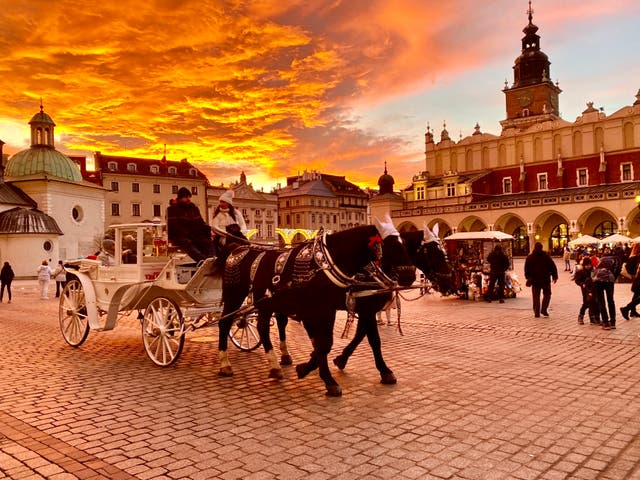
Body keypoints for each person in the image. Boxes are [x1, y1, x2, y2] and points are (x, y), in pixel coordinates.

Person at [167, 187, 214, 263]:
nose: (188, 199)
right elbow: (173, 226)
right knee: (188, 243)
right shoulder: (172, 209)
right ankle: (202, 261)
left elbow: (201, 222)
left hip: (194, 234)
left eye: (189, 197)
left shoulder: (193, 208)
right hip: (180, 235)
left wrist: (206, 230)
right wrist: (189, 233)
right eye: (186, 197)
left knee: (207, 241)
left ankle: (212, 260)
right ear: (180, 198)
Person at [524, 242, 558, 318]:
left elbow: (526, 269)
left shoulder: (530, 257)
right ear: (542, 248)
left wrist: (528, 277)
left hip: (534, 280)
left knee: (536, 296)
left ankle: (537, 312)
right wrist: (554, 276)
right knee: (547, 294)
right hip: (545, 279)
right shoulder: (546, 256)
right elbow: (553, 266)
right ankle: (544, 309)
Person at [593, 246, 624, 330]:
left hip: (597, 279)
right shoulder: (618, 259)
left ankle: (605, 322)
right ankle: (612, 322)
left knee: (601, 301)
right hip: (608, 279)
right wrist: (612, 279)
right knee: (610, 300)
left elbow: (596, 268)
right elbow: (617, 270)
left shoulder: (604, 257)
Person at [211, 190, 248, 257]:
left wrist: (241, 233)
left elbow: (242, 224)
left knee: (246, 244)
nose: (221, 204)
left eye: (223, 202)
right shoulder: (218, 215)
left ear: (228, 203)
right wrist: (226, 234)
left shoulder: (236, 213)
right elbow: (214, 227)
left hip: (237, 235)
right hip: (224, 237)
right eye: (220, 202)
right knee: (232, 245)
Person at [574, 257, 599, 325]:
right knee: (586, 303)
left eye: (589, 265)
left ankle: (593, 318)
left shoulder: (593, 271)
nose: (588, 266)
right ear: (584, 265)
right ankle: (581, 316)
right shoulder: (581, 271)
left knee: (593, 303)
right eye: (587, 265)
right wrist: (582, 284)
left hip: (593, 289)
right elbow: (577, 281)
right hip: (585, 289)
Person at [620, 243, 640, 320]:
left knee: (636, 295)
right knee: (637, 296)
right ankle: (626, 309)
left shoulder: (635, 255)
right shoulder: (637, 256)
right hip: (639, 279)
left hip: (637, 279)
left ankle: (632, 311)